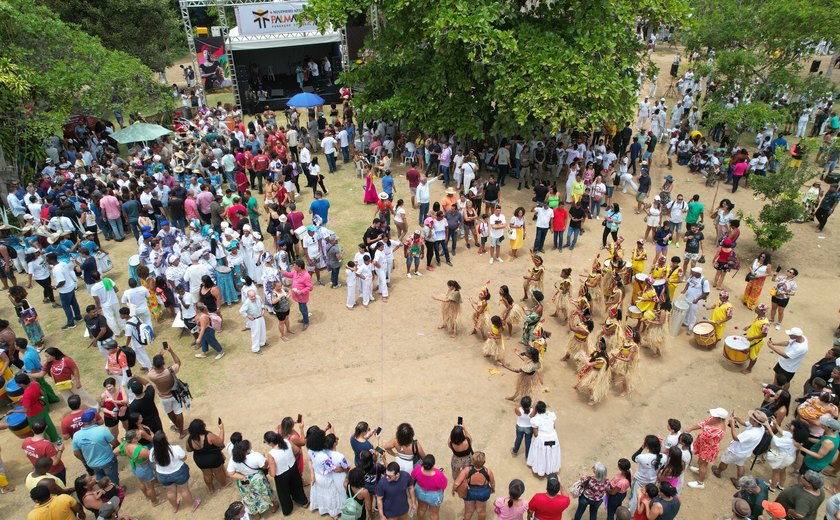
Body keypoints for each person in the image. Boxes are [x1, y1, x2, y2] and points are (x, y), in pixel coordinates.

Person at [712, 410, 769, 486]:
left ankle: (718, 472)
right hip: (745, 452)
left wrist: (732, 425)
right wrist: (736, 417)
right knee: (740, 465)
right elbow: (744, 423)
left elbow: (736, 438)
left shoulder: (751, 433)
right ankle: (738, 482)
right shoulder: (760, 428)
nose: (749, 417)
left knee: (725, 461)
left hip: (736, 451)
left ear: (755, 421)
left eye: (751, 417)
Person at [150, 430, 201, 513]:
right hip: (178, 472)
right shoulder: (175, 448)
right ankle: (192, 506)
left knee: (170, 491)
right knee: (184, 490)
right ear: (165, 439)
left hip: (162, 475)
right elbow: (184, 458)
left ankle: (174, 507)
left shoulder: (152, 451)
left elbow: (153, 461)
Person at [227, 439, 278, 518]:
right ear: (247, 449)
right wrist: (265, 457)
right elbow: (264, 466)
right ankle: (273, 508)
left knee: (249, 497)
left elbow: (230, 473)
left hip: (244, 481)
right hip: (257, 479)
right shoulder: (255, 455)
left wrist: (242, 477)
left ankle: (256, 515)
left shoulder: (234, 458)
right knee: (265, 493)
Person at [264, 431, 307, 516]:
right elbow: (298, 451)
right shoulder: (286, 441)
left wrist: (268, 465)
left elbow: (272, 474)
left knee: (284, 493)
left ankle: (288, 509)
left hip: (281, 475)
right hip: (293, 468)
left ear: (271, 443)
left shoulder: (271, 454)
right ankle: (303, 501)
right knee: (297, 486)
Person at [147, 347, 187, 438]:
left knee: (169, 412)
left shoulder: (151, 375)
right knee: (178, 412)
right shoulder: (169, 371)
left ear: (154, 364)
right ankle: (182, 432)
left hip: (163, 398)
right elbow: (178, 362)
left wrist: (158, 357)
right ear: (163, 363)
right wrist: (171, 351)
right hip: (174, 395)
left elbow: (152, 370)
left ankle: (177, 426)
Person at [72, 409, 119, 484]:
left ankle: (103, 492)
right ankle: (116, 491)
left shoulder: (76, 435)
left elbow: (76, 453)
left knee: (100, 478)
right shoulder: (102, 430)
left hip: (92, 464)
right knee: (113, 478)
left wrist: (84, 461)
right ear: (93, 420)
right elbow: (115, 443)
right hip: (108, 461)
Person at [685, 408, 728, 490]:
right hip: (704, 445)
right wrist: (691, 429)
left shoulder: (719, 430)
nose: (712, 416)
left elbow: (703, 433)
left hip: (708, 449)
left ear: (720, 418)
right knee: (702, 463)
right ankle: (699, 471)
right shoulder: (714, 419)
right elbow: (703, 423)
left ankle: (700, 483)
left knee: (702, 464)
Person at [186, 418, 228, 492]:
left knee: (206, 474)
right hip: (213, 459)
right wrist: (221, 429)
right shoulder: (208, 436)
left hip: (200, 460)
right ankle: (224, 484)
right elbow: (220, 442)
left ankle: (211, 489)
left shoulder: (189, 439)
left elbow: (188, 450)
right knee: (218, 472)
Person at [453, 451, 494, 520]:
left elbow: (456, 483)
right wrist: (493, 489)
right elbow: (492, 483)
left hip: (469, 492)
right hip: (483, 493)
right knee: (481, 512)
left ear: (472, 461)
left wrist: (453, 490)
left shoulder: (466, 470)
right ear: (484, 462)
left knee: (468, 511)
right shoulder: (488, 472)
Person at [46, 252, 82, 330]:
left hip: (65, 290)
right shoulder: (62, 263)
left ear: (51, 260)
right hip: (71, 286)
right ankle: (78, 317)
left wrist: (55, 287)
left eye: (47, 260)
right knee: (74, 303)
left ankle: (71, 323)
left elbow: (62, 281)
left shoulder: (57, 270)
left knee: (66, 306)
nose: (47, 261)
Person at [526, 401, 560, 477]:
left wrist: (533, 412)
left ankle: (541, 470)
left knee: (541, 454)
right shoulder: (551, 415)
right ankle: (549, 469)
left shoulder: (535, 419)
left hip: (542, 439)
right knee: (550, 453)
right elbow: (553, 427)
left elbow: (535, 434)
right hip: (553, 437)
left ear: (536, 409)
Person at [411, 454, 448, 520]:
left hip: (420, 493)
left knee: (421, 508)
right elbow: (443, 486)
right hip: (434, 496)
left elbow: (413, 477)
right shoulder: (439, 475)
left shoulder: (418, 468)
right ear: (433, 465)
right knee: (434, 513)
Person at [281, 259, 313, 331]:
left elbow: (310, 287)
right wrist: (284, 272)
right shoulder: (296, 272)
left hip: (302, 296)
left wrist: (301, 291)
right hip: (297, 296)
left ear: (300, 267)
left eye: (295, 265)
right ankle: (305, 319)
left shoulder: (306, 276)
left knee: (303, 309)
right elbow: (290, 275)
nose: (294, 266)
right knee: (301, 308)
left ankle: (306, 322)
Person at [680, 266, 710, 331]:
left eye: (693, 272)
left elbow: (706, 292)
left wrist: (697, 299)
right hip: (688, 298)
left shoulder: (704, 281)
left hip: (695, 300)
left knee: (693, 314)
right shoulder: (692, 276)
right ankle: (686, 322)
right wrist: (684, 290)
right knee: (686, 311)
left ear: (698, 273)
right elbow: (688, 283)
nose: (692, 272)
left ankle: (691, 327)